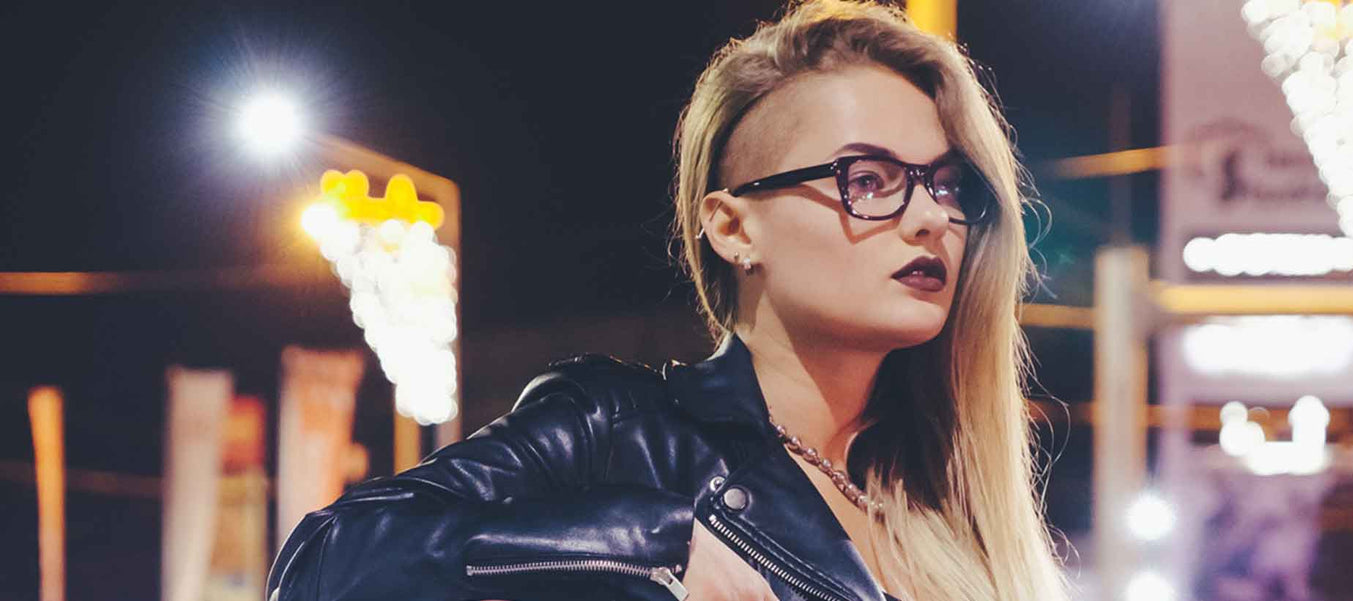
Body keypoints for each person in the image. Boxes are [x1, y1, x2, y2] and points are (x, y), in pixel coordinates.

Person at [266, 1, 1068, 600]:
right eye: (867, 181)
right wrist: (655, 543)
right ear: (732, 227)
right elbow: (323, 561)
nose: (931, 216)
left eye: (945, 184)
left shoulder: (949, 499)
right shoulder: (622, 432)